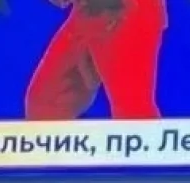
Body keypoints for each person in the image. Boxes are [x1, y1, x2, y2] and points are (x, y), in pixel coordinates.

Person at [25, 0, 166, 120]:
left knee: (131, 108)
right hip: (88, 12)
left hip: (127, 9)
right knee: (45, 102)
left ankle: (148, 142)